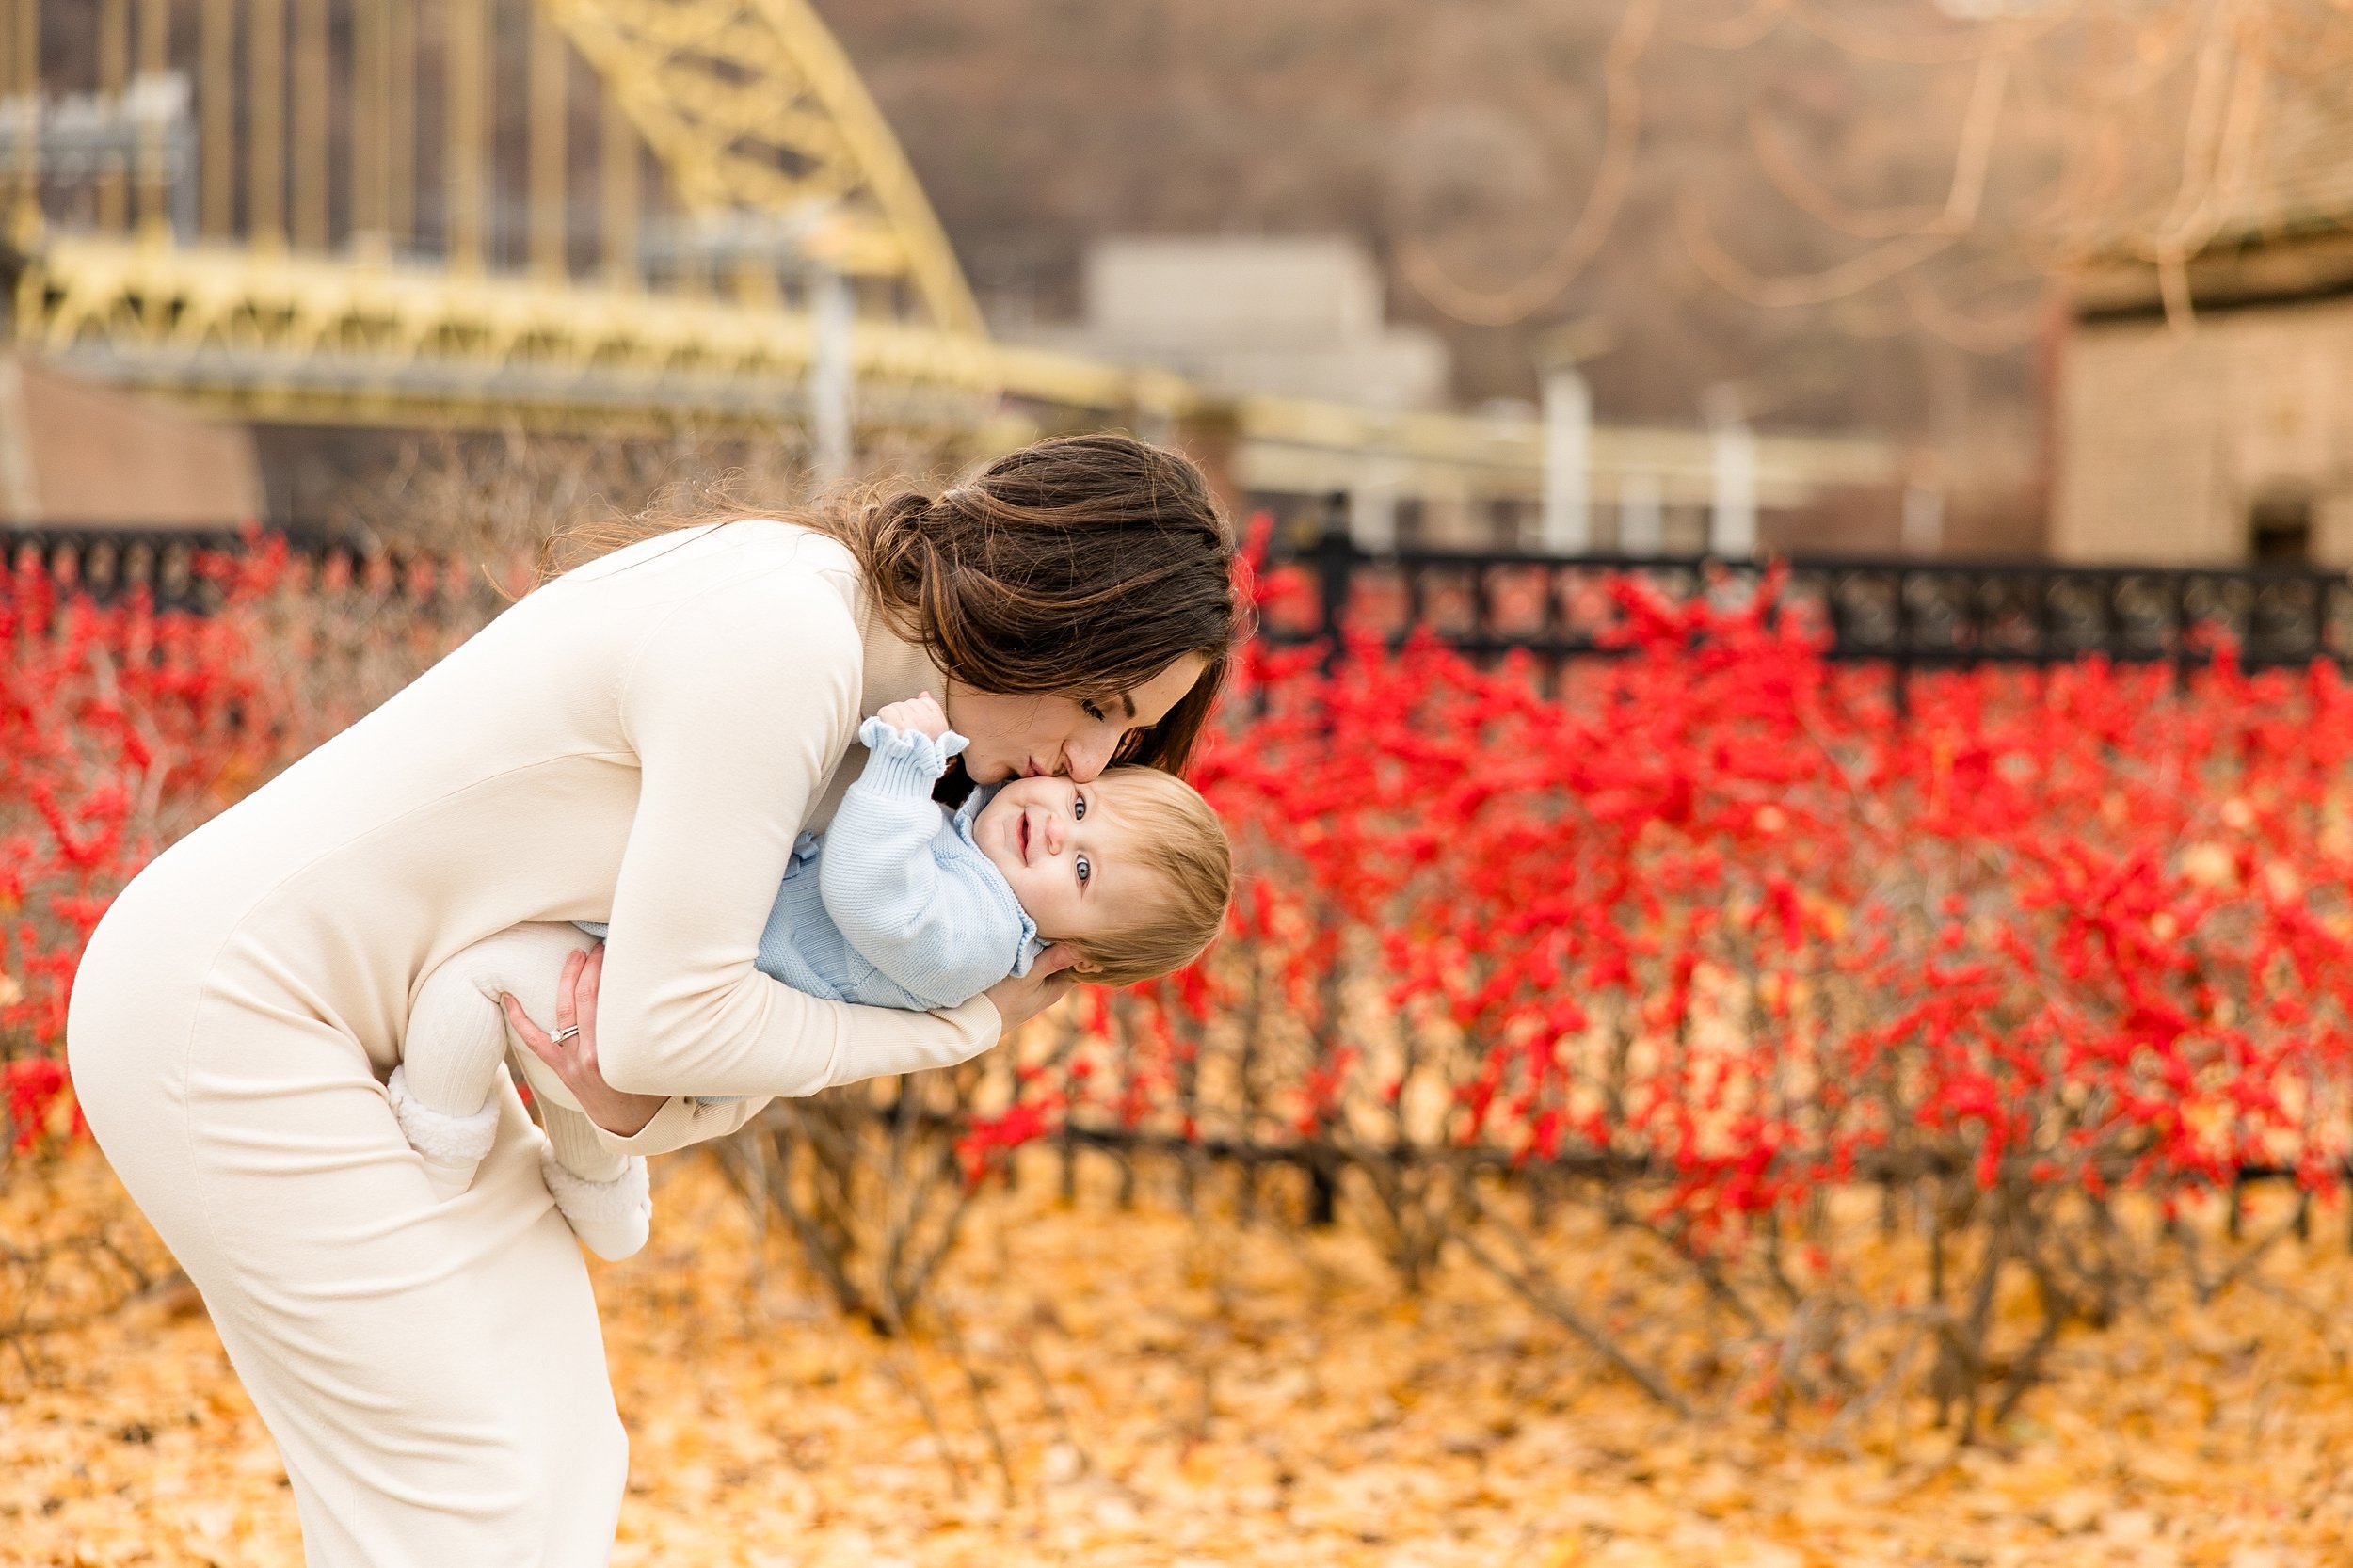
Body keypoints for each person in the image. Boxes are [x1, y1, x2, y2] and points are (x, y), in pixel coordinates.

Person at [65, 433, 1241, 1566]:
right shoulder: (787, 641)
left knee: (562, 1453)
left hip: (397, 1035)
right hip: (233, 1012)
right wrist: (955, 1031)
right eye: (1101, 706)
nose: (1093, 766)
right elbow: (666, 1028)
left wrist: (641, 1089)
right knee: (464, 1494)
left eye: (1127, 733)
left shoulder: (890, 755)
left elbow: (653, 1071)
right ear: (1042, 611)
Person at [387, 690, 1231, 1260]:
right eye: (1082, 809)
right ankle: (601, 1194)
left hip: (681, 1021)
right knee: (559, 1046)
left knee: (476, 980)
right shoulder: (980, 849)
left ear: (1073, 954)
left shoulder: (975, 936)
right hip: (670, 1004)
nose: (1056, 834)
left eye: (1083, 873)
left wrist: (904, 759)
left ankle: (429, 1164)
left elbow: (866, 892)